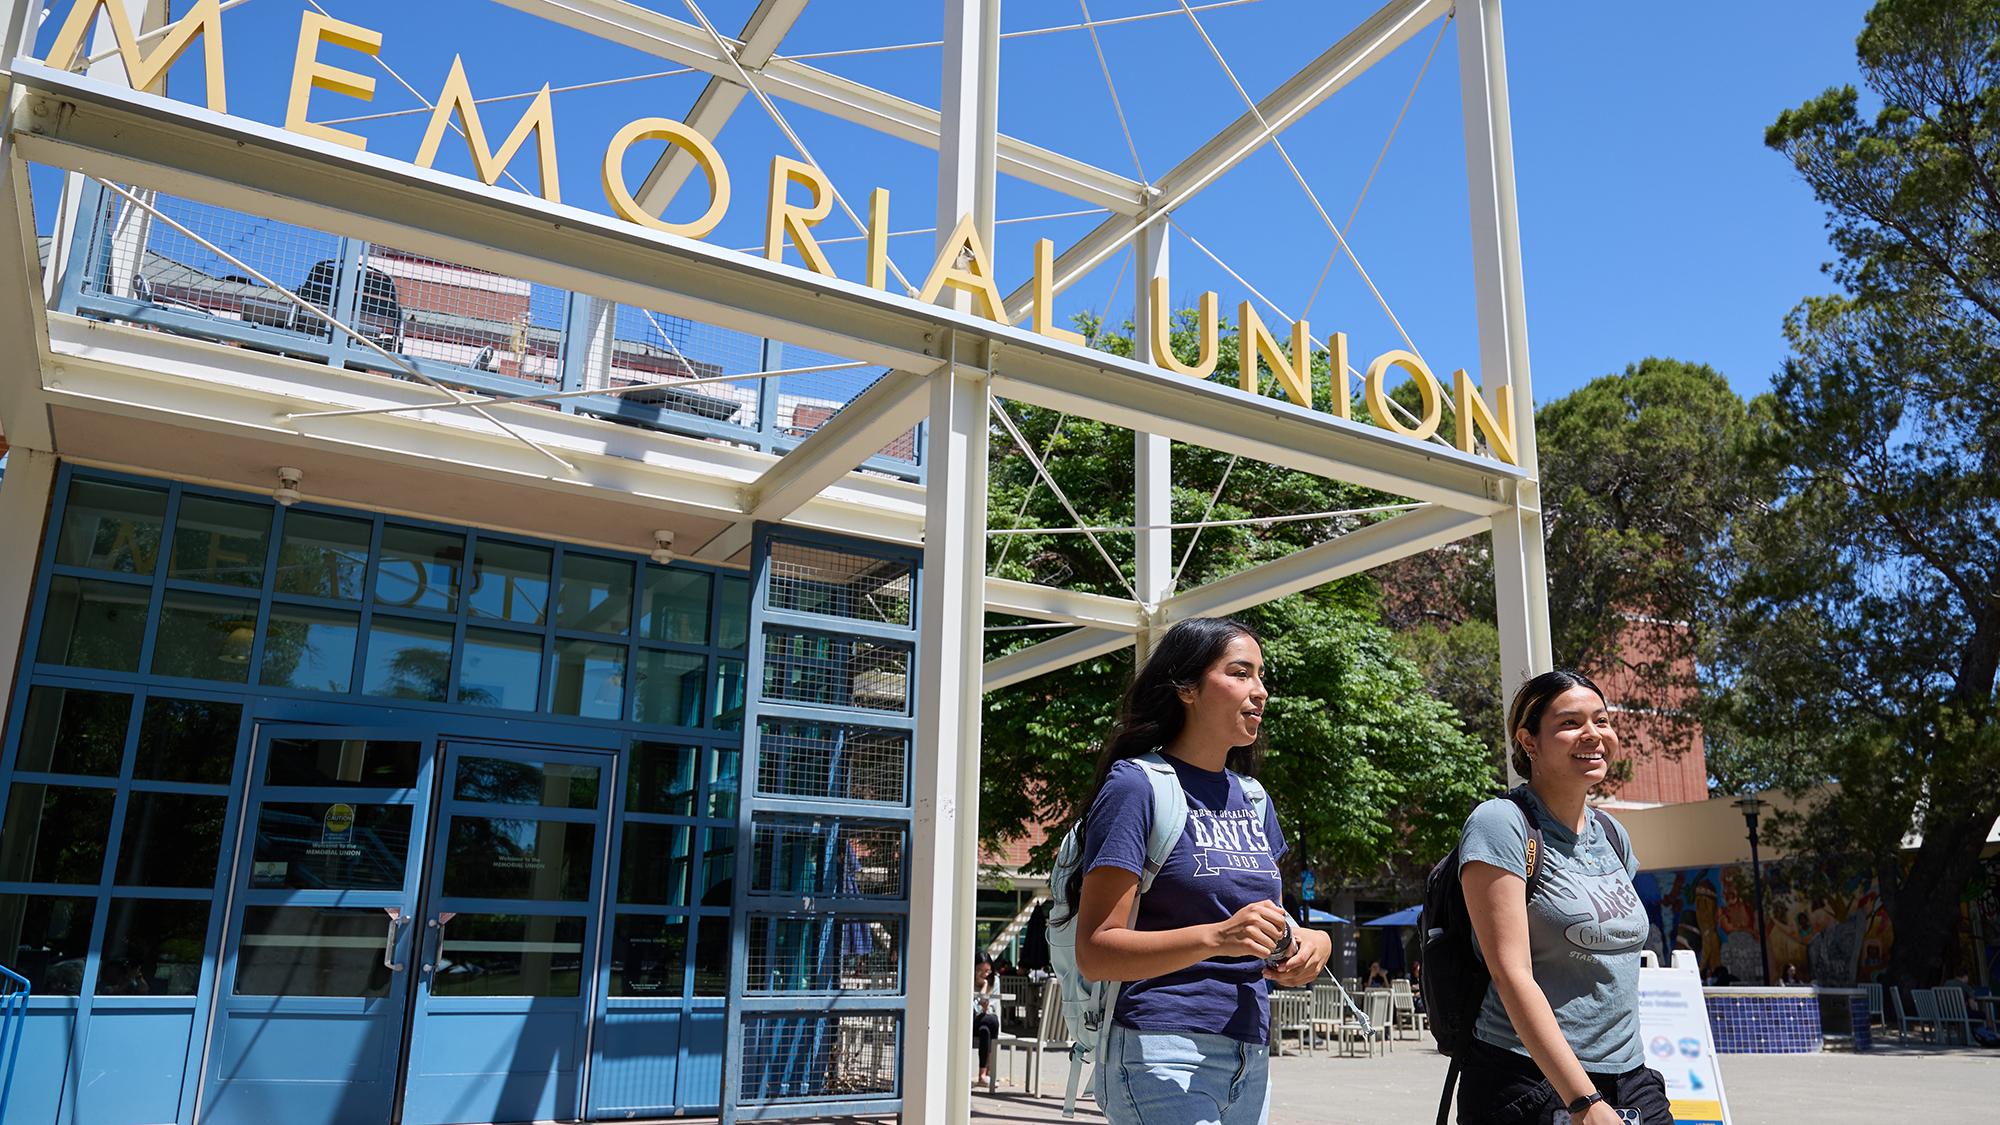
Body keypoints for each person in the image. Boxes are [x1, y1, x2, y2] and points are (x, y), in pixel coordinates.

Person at [1068, 617, 1331, 1125]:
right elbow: (1096, 951)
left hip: (1250, 1052)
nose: (1260, 691)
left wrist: (1306, 942)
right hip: (1160, 1050)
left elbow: (1262, 918)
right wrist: (1216, 937)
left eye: (1261, 675)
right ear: (1186, 688)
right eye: (1240, 673)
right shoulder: (1136, 787)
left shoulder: (1253, 799)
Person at [1456, 671, 1670, 1125]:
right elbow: (1511, 973)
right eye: (1570, 723)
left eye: (1602, 720)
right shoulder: (1501, 824)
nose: (1593, 735)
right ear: (1529, 742)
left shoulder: (1612, 834)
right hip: (1527, 1082)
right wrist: (1583, 1102)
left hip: (1630, 1078)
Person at [972, 957, 1001, 1087]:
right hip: (970, 1021)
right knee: (992, 1021)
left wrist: (985, 1008)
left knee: (986, 1029)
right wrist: (983, 986)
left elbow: (992, 1006)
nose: (984, 974)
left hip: (985, 1020)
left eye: (987, 971)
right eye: (979, 970)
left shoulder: (995, 981)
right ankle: (989, 1072)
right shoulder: (968, 978)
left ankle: (982, 1075)